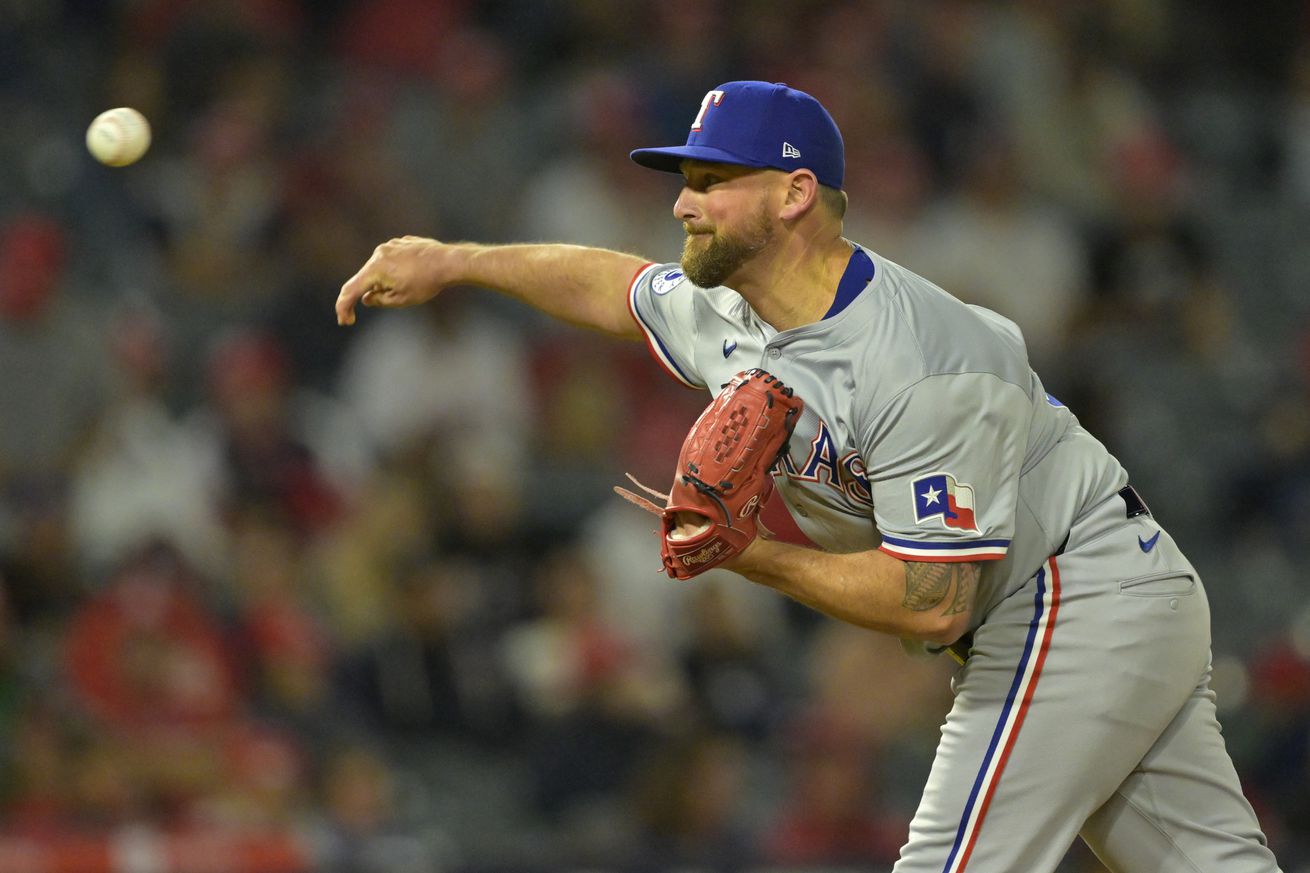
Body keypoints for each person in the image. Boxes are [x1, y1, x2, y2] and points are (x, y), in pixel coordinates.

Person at [336, 81, 1283, 872]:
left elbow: (931, 600)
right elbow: (611, 285)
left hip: (1073, 597)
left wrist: (753, 557)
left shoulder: (927, 358)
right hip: (1094, 601)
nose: (681, 201)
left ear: (794, 194)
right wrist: (453, 260)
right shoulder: (731, 306)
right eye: (685, 179)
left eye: (710, 180)